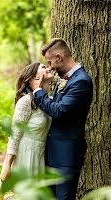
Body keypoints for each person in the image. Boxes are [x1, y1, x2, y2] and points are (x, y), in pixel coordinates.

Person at [30, 38, 93, 200]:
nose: (49, 66)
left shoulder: (81, 81)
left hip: (67, 156)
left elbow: (59, 111)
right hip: (52, 154)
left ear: (59, 57)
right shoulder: (66, 79)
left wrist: (37, 91)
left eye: (50, 61)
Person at [0, 62, 54, 196]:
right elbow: (14, 135)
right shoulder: (26, 102)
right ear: (34, 77)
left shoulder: (49, 100)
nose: (49, 68)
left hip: (41, 157)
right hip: (26, 157)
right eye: (44, 67)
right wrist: (7, 166)